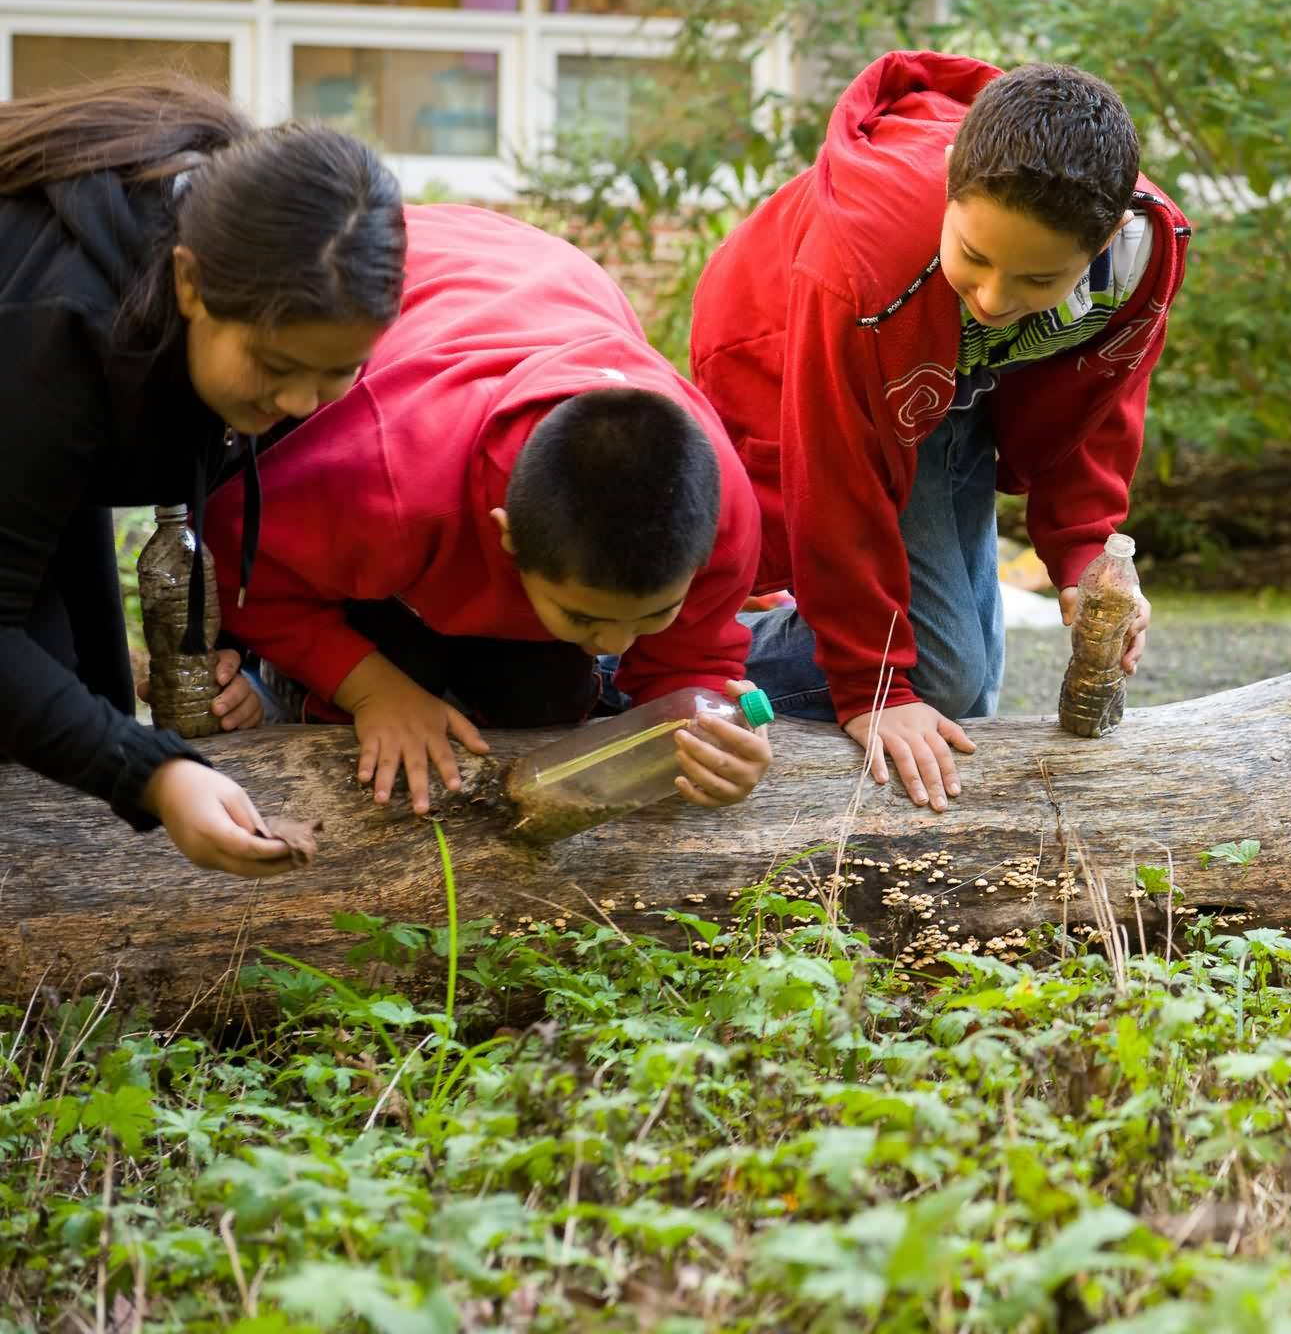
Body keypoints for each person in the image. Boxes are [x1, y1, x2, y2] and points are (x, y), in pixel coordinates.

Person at [692, 54, 1190, 813]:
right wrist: (872, 686)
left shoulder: (1141, 252)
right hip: (802, 349)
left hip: (954, 384)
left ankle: (822, 650)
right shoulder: (860, 272)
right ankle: (655, 661)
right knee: (936, 677)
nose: (995, 297)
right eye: (977, 258)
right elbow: (836, 478)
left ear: (1107, 238)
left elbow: (1100, 395)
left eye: (1036, 281)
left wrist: (1086, 548)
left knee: (970, 683)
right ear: (954, 176)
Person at [206, 205, 771, 815]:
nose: (615, 641)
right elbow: (235, 552)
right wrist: (373, 691)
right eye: (585, 620)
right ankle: (276, 689)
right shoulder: (388, 481)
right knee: (401, 671)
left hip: (548, 288)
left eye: (656, 612)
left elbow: (695, 659)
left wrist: (715, 735)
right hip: (398, 276)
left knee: (543, 703)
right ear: (508, 538)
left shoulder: (719, 505)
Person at [0, 73, 405, 877]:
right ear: (190, 283)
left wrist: (124, 733)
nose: (298, 401)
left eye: (335, 371)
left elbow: (61, 489)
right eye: (276, 365)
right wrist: (149, 772)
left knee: (85, 710)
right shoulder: (63, 325)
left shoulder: (241, 265)